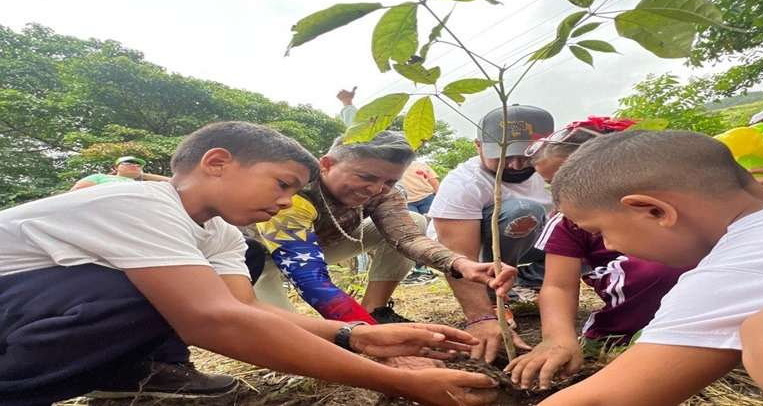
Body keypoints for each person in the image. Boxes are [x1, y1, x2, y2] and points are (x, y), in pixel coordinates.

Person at [0, 122, 500, 406]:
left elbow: (243, 309)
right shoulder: (141, 203)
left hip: (29, 305)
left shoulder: (218, 233)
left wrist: (358, 336)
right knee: (153, 294)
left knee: (179, 290)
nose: (286, 202)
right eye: (282, 184)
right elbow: (213, 321)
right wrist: (401, 381)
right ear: (216, 163)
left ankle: (135, 376)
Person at [530, 130, 763, 406]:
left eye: (601, 231)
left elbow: (601, 400)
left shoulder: (729, 277)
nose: (608, 244)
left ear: (654, 210)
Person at [248, 130, 517, 326]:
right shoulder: (296, 198)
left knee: (416, 221)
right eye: (366, 177)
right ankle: (367, 323)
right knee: (293, 337)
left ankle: (375, 310)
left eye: (389, 181)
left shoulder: (384, 192)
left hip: (324, 246)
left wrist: (460, 263)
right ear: (327, 164)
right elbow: (309, 279)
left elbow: (408, 238)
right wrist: (366, 333)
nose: (376, 189)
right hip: (266, 261)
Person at [504, 118, 689, 389]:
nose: (560, 193)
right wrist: (557, 337)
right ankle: (612, 337)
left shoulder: (676, 201)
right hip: (634, 295)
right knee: (648, 270)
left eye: (570, 180)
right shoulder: (566, 221)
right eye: (551, 184)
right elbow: (558, 284)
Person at [428, 104, 554, 363]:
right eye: (505, 155)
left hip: (527, 242)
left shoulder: (553, 172)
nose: (516, 164)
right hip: (472, 252)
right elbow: (458, 256)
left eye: (527, 154)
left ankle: (527, 280)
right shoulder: (464, 184)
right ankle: (495, 294)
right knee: (522, 211)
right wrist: (482, 317)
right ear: (478, 146)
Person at [400, 160, 440, 284]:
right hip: (407, 202)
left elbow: (433, 181)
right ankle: (420, 268)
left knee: (434, 231)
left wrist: (440, 197)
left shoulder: (420, 165)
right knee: (416, 234)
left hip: (427, 198)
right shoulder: (392, 164)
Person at [70, 155, 170, 191]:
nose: (134, 166)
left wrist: (142, 175)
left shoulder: (140, 184)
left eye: (138, 165)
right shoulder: (99, 177)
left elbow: (172, 182)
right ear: (116, 167)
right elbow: (76, 192)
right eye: (128, 163)